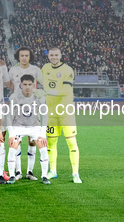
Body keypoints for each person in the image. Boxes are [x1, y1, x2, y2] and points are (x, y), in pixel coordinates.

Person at [41, 47, 82, 183]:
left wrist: (46, 92)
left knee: (71, 141)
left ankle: (75, 173)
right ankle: (53, 170)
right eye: (51, 55)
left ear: (60, 55)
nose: (53, 57)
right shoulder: (45, 68)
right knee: (51, 143)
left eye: (56, 55)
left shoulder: (67, 70)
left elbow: (66, 90)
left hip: (65, 112)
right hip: (51, 113)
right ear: (48, 56)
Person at [6, 74, 51, 185]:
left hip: (34, 127)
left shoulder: (39, 96)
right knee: (13, 148)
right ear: (21, 85)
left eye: (30, 84)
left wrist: (42, 134)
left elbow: (45, 115)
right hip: (18, 127)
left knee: (43, 147)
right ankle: (13, 175)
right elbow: (8, 116)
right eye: (25, 84)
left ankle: (43, 176)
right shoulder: (14, 97)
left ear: (34, 85)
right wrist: (11, 134)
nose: (27, 87)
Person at [8, 46, 43, 180]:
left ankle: (30, 171)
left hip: (33, 106)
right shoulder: (13, 70)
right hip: (17, 106)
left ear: (30, 57)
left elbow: (43, 84)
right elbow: (8, 84)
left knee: (32, 141)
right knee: (17, 140)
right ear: (18, 57)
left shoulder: (35, 70)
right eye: (21, 55)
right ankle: (18, 172)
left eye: (26, 55)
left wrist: (40, 94)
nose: (24, 58)